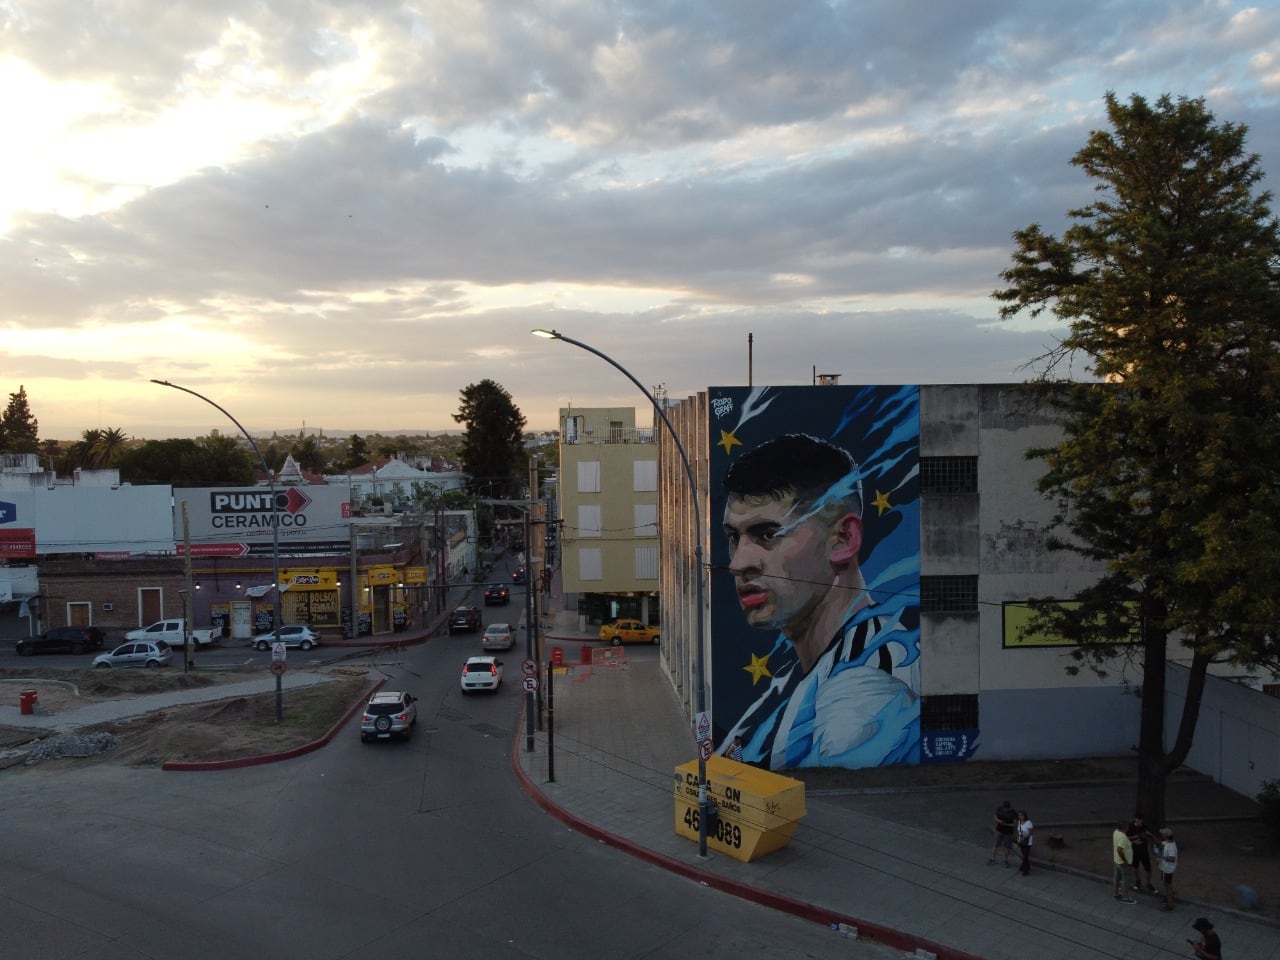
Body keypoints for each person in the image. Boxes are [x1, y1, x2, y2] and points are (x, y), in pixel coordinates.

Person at [717, 433, 919, 771]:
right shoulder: (817, 666)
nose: (739, 563)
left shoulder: (864, 693)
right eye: (733, 537)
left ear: (843, 539)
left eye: (768, 534)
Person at [1127, 812, 1156, 893]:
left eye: (1140, 820)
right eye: (1137, 819)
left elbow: (1151, 840)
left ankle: (1148, 883)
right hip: (1134, 850)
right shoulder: (1130, 826)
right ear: (1135, 819)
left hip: (1144, 851)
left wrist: (1146, 837)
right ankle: (1137, 881)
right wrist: (1134, 840)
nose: (1139, 821)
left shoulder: (1145, 827)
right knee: (1135, 867)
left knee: (1148, 868)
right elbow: (1125, 838)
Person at [1113, 821, 1138, 903]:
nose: (1128, 828)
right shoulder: (1123, 837)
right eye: (1127, 827)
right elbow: (1119, 849)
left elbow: (1123, 842)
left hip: (1117, 860)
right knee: (1125, 880)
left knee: (1116, 878)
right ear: (1125, 828)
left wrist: (1133, 840)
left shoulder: (1116, 832)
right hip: (1123, 863)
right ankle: (1126, 897)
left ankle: (1116, 894)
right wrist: (1125, 861)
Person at [989, 800, 1017, 867]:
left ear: (1009, 807)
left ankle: (1006, 860)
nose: (1005, 810)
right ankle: (992, 859)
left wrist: (1006, 824)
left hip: (1008, 832)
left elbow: (1015, 824)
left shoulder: (1013, 813)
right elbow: (995, 817)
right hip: (999, 830)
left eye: (1006, 809)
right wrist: (999, 821)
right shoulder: (1000, 809)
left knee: (1007, 847)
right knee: (996, 845)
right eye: (1004, 808)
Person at [1156, 826, 1178, 911]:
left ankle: (1170, 904)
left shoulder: (1171, 847)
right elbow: (1160, 842)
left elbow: (1172, 859)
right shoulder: (1168, 842)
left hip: (1167, 869)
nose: (1161, 835)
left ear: (1165, 836)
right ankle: (1168, 898)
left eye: (1162, 834)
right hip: (1165, 868)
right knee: (1166, 884)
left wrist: (1162, 857)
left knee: (1167, 885)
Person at [1016, 809, 1034, 875]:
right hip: (1021, 841)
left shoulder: (1028, 823)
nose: (1020, 817)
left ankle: (1026, 869)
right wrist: (1019, 838)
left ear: (1024, 816)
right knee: (1024, 855)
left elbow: (1031, 832)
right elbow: (1019, 831)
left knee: (1025, 856)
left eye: (1021, 815)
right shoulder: (1019, 822)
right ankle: (1025, 866)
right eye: (1019, 815)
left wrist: (1024, 837)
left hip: (1027, 841)